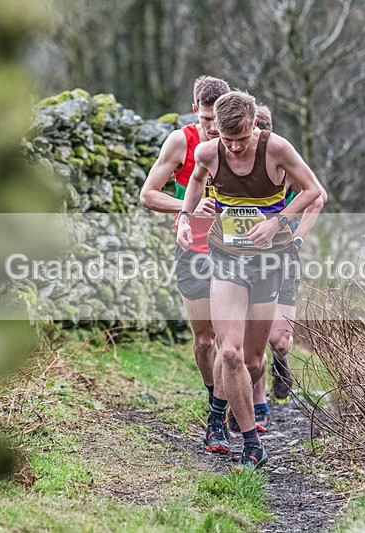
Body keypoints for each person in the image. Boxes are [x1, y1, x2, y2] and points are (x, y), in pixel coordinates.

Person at [177, 90, 322, 470]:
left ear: (254, 124)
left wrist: (277, 221)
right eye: (228, 140)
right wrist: (185, 218)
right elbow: (195, 182)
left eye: (241, 139)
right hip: (227, 260)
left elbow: (313, 191)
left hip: (268, 264)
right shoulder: (208, 152)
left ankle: (223, 408)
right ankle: (251, 443)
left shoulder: (277, 149)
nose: (235, 147)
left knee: (254, 362)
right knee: (229, 352)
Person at [139, 75, 231, 455]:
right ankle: (214, 398)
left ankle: (217, 418)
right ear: (195, 111)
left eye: (218, 119)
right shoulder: (181, 142)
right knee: (204, 339)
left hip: (233, 252)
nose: (213, 127)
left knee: (229, 341)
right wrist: (188, 208)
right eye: (206, 119)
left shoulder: (239, 141)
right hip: (193, 250)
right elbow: (148, 194)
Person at [226, 104, 327, 434]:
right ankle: (257, 404)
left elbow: (317, 197)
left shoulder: (279, 158)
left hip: (281, 255)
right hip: (241, 258)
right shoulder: (230, 161)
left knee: (279, 340)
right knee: (244, 342)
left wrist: (296, 238)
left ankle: (280, 362)